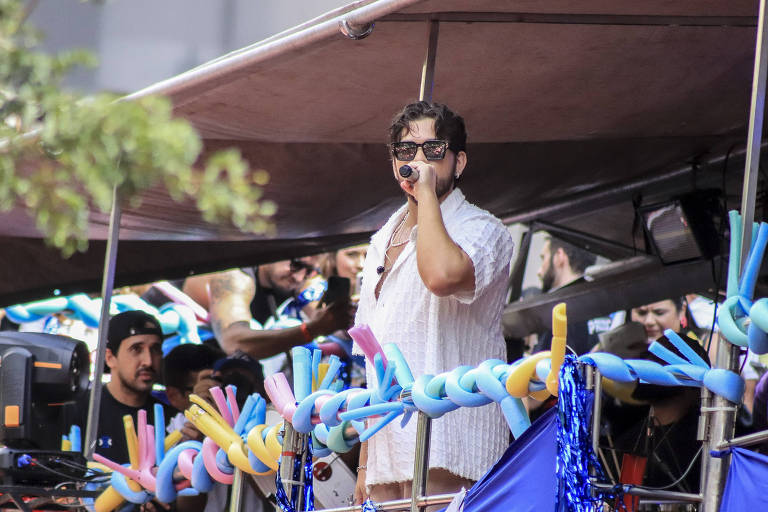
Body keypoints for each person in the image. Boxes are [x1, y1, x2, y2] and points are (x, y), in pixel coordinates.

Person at [353, 101, 515, 505]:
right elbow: (376, 363)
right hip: (387, 451)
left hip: (452, 442)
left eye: (433, 150)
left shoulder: (482, 228)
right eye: (406, 152)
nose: (418, 161)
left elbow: (442, 277)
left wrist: (425, 193)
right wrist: (363, 465)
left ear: (458, 162)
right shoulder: (381, 240)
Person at [185, 258, 354, 360]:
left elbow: (325, 317)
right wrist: (312, 329)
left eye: (309, 270)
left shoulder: (298, 279)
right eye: (295, 265)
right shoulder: (235, 277)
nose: (299, 277)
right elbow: (235, 343)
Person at [66, 310, 167, 464]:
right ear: (110, 358)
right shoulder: (80, 412)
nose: (148, 361)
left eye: (155, 349)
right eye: (136, 349)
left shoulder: (172, 420)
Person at [531, 236, 605, 355]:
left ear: (559, 256)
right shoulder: (605, 301)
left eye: (543, 258)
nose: (539, 271)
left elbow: (539, 366)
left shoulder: (558, 309)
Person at [162, 343, 223, 439]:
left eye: (221, 389)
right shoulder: (162, 443)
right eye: (207, 390)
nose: (218, 400)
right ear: (173, 396)